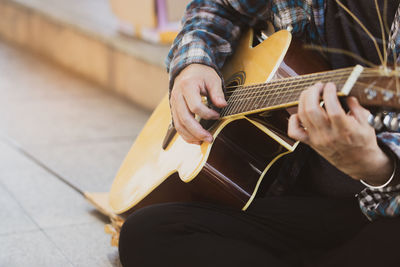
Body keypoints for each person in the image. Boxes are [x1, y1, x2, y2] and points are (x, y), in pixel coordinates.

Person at [119, 1, 400, 266]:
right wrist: (194, 64)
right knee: (147, 232)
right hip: (295, 198)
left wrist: (378, 167)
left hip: (383, 212)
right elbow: (218, 6)